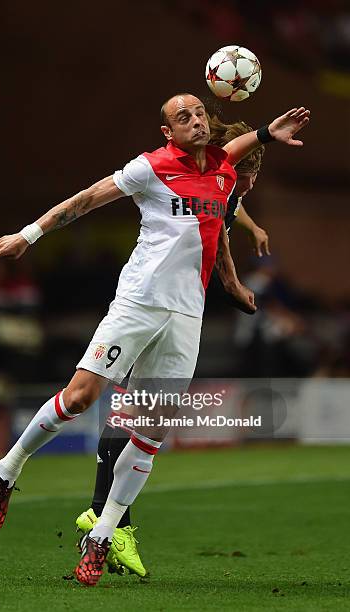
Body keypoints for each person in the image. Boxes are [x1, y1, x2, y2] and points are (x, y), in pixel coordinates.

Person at [0, 93, 310, 586]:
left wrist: (232, 283)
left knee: (152, 430)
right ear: (167, 133)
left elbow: (219, 218)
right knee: (80, 396)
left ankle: (103, 536)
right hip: (137, 303)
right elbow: (86, 199)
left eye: (199, 113)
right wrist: (28, 236)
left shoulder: (223, 171)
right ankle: (8, 469)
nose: (196, 121)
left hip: (186, 316)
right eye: (184, 117)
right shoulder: (149, 168)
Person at [74, 119, 269, 579]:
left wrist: (252, 227)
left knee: (136, 409)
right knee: (132, 410)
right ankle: (106, 518)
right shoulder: (219, 179)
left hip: (172, 301)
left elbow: (229, 216)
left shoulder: (225, 187)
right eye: (252, 178)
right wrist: (233, 282)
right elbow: (221, 224)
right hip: (152, 297)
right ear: (246, 172)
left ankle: (107, 521)